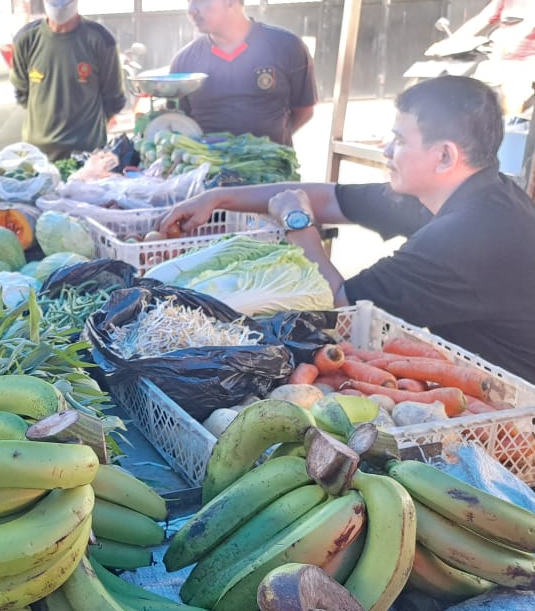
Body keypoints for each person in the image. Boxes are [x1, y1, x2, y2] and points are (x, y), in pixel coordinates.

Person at [159, 75, 535, 382]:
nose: (387, 150)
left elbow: (343, 307)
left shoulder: (468, 235)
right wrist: (219, 198)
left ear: (445, 156)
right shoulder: (469, 191)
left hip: (515, 410)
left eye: (400, 140)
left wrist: (298, 222)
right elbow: (331, 198)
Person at [171, 0, 317, 146]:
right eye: (189, 0)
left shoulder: (287, 46)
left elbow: (304, 110)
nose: (191, 9)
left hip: (273, 173)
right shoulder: (184, 61)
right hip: (207, 173)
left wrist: (262, 150)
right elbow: (180, 122)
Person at [10, 0, 125, 161]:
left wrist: (85, 134)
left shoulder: (100, 40)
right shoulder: (26, 39)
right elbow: (22, 93)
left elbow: (114, 100)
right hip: (37, 159)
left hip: (86, 159)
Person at [429, 0, 535, 114]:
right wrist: (450, 42)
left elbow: (529, 23)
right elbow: (480, 20)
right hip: (502, 59)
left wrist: (509, 41)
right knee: (475, 89)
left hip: (528, 61)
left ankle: (510, 131)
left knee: (512, 90)